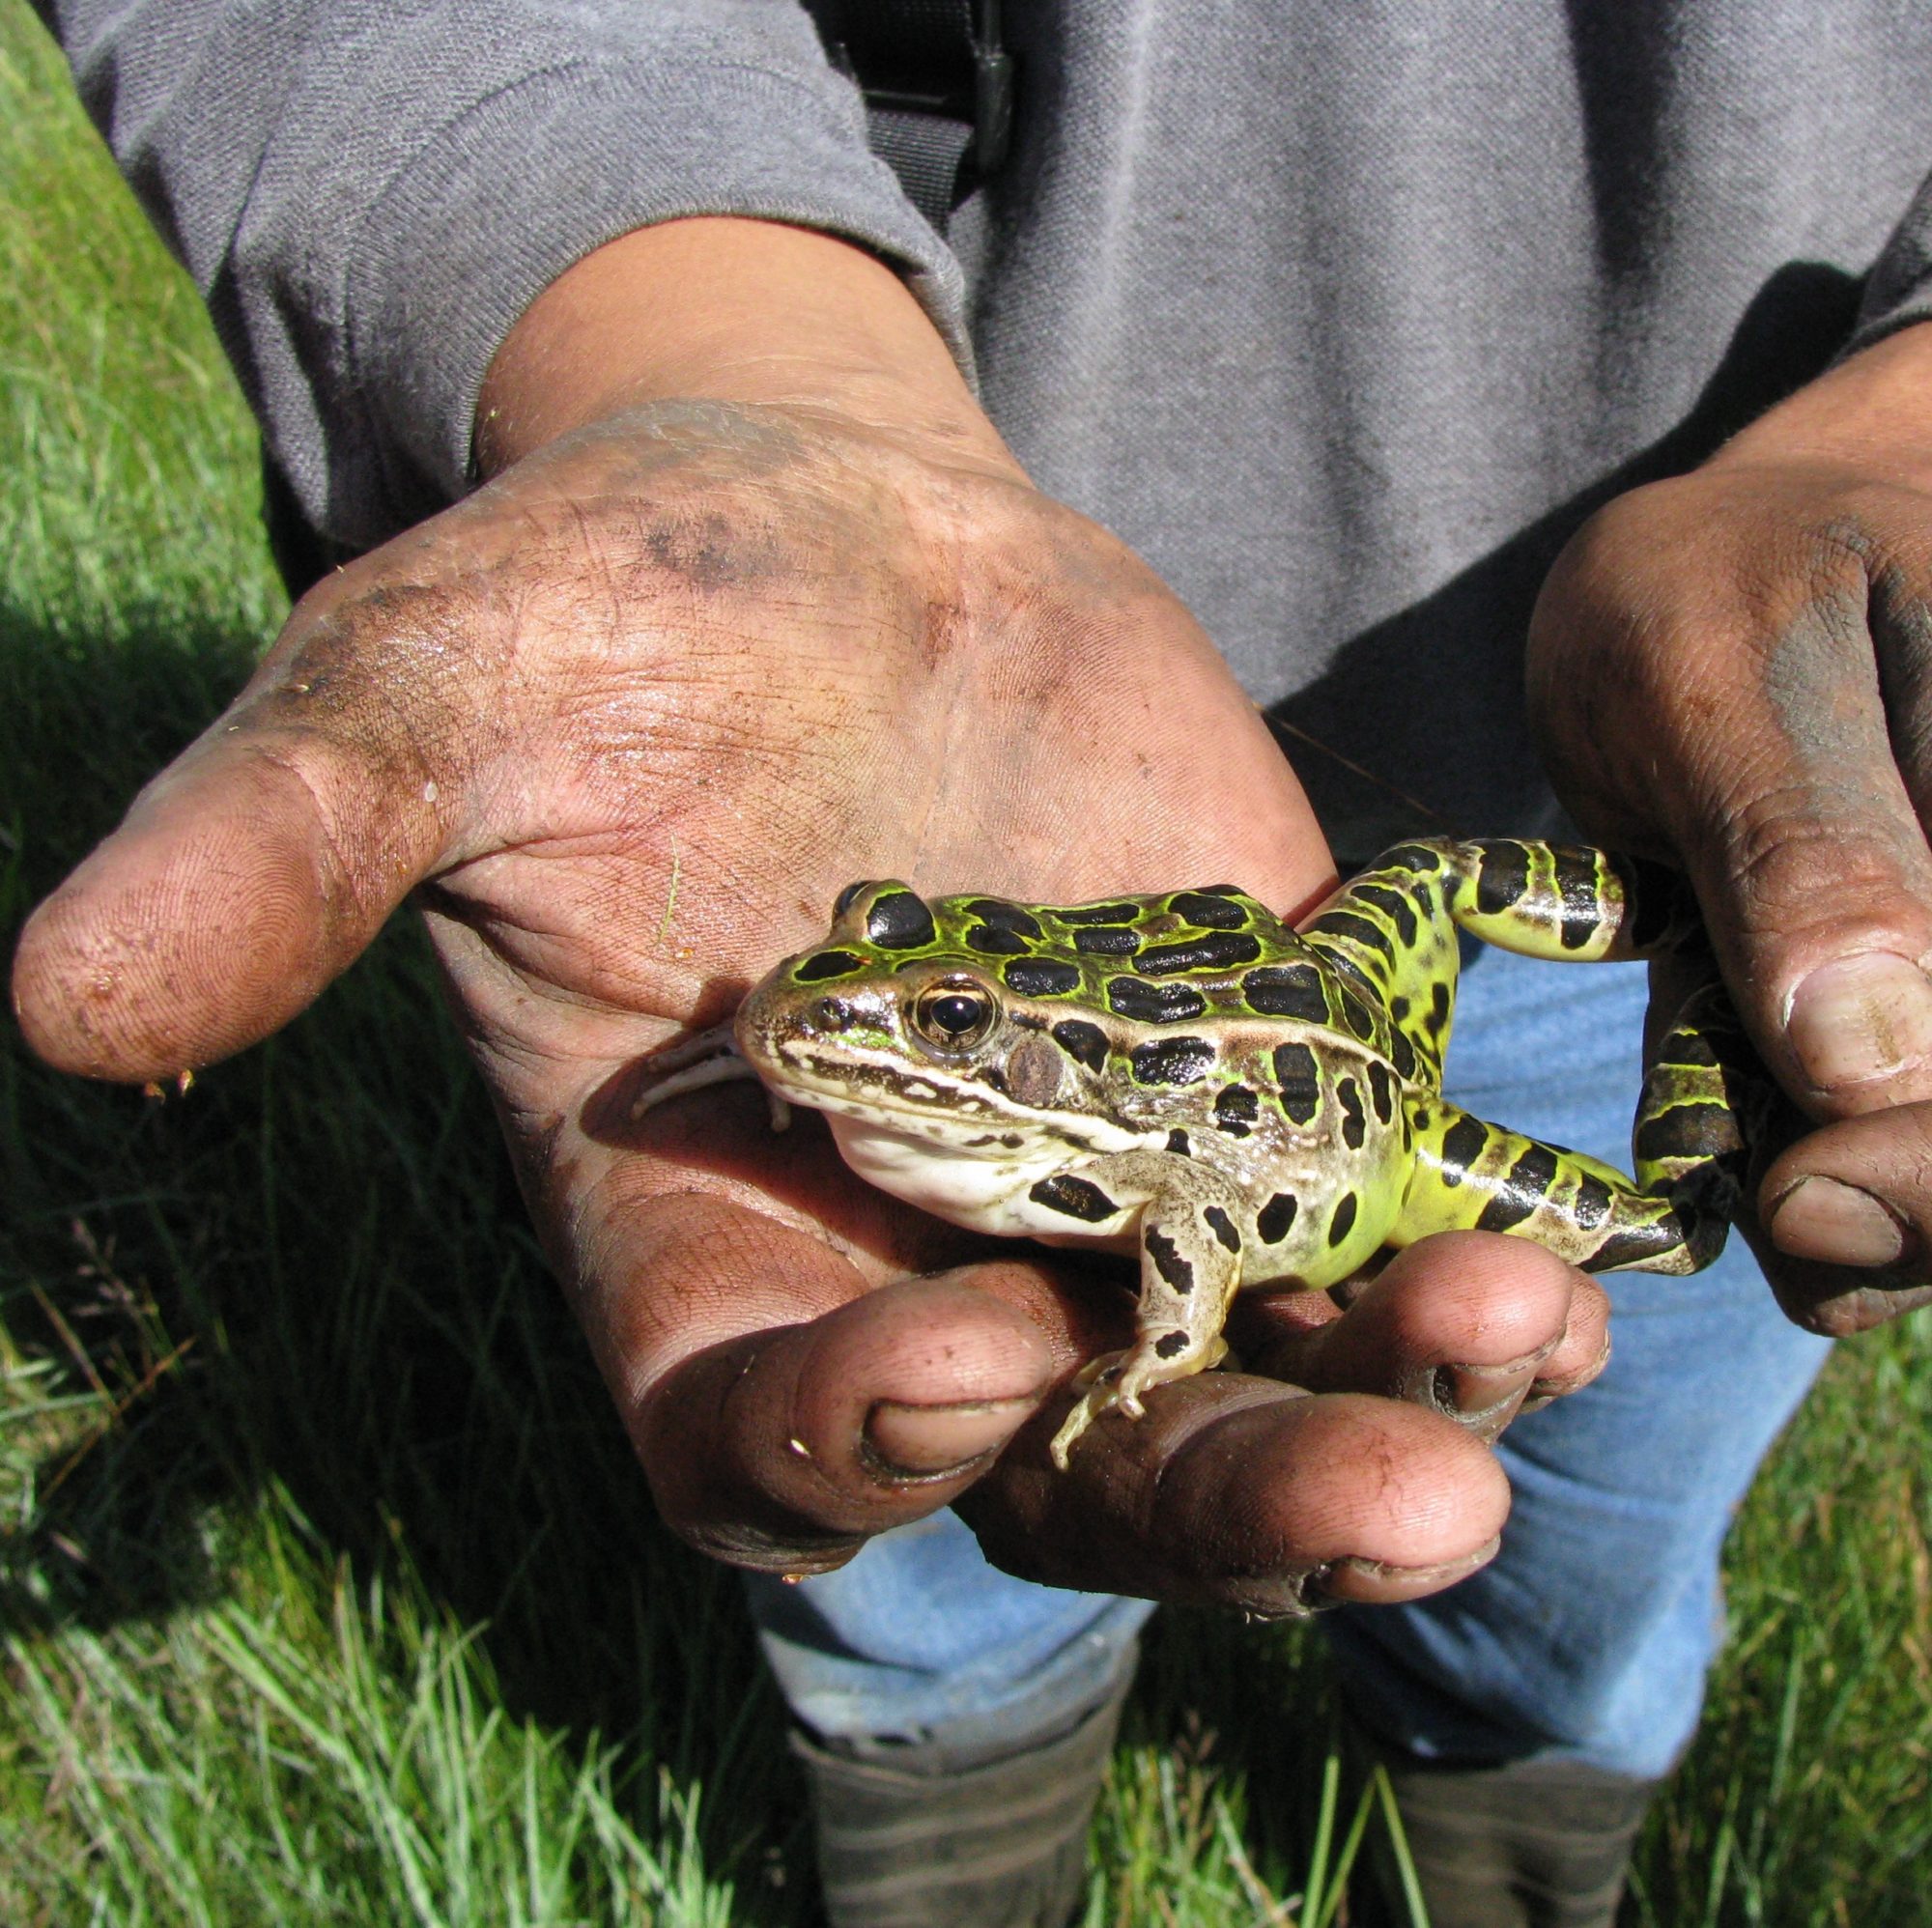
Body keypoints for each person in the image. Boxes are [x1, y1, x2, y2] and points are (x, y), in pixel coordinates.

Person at [16, 4, 1932, 1922]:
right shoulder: (900, 1063)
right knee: (895, 1472)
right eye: (887, 982)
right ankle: (945, 1788)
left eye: (929, 1015)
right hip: (994, 689)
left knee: (1624, 1367)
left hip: (1432, 1035)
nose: (864, 1018)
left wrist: (1895, 439)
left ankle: (1515, 1827)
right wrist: (693, 341)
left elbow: (1184, 1196)